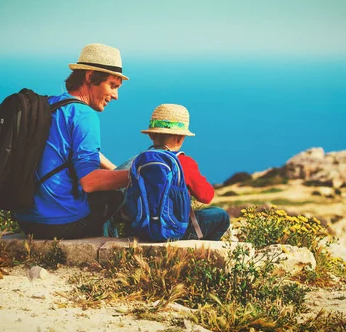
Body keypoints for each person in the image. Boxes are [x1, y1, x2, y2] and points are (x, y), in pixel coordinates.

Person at [13, 43, 130, 239]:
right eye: (113, 86)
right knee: (139, 165)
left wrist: (116, 169)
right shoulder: (84, 115)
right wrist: (137, 175)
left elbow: (72, 151)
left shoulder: (50, 106)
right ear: (91, 76)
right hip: (63, 224)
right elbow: (90, 183)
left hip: (27, 221)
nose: (116, 95)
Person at [136, 104, 231, 241]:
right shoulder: (184, 162)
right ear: (181, 138)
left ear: (151, 135)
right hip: (176, 230)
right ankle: (199, 251)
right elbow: (206, 196)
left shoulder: (141, 161)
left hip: (143, 228)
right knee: (221, 215)